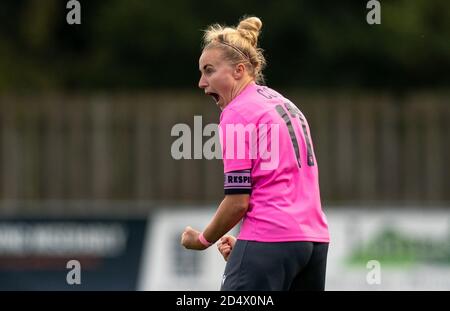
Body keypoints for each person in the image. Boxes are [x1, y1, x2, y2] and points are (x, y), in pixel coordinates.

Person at [181, 16, 330, 291]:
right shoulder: (283, 103)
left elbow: (238, 202)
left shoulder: (237, 112)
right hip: (313, 244)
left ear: (239, 70)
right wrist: (255, 251)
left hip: (271, 238)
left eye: (209, 71)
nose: (202, 82)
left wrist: (202, 240)